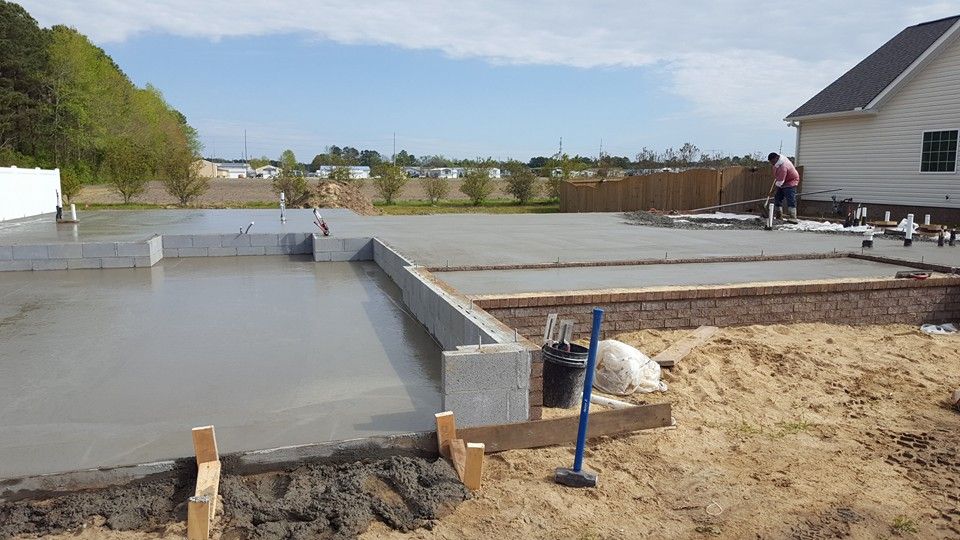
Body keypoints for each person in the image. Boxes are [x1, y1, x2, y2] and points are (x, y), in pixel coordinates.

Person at [768, 152, 800, 223]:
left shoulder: (783, 166)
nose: (772, 163)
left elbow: (780, 181)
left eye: (772, 162)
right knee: (777, 197)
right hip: (782, 180)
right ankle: (779, 216)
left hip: (791, 181)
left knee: (790, 198)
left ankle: (793, 217)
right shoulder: (776, 164)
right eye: (770, 162)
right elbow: (778, 177)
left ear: (776, 158)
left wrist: (775, 188)